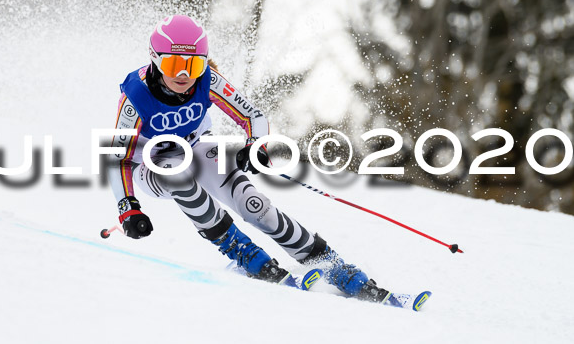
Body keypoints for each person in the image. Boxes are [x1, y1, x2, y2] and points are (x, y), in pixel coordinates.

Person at [108, 15, 390, 302]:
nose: (184, 75)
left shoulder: (207, 80)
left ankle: (327, 261)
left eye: (193, 66)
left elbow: (253, 116)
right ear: (155, 59)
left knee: (253, 205)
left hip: (196, 148)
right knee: (177, 172)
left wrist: (257, 145)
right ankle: (239, 248)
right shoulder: (135, 97)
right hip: (152, 166)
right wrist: (127, 207)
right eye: (173, 65)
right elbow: (118, 159)